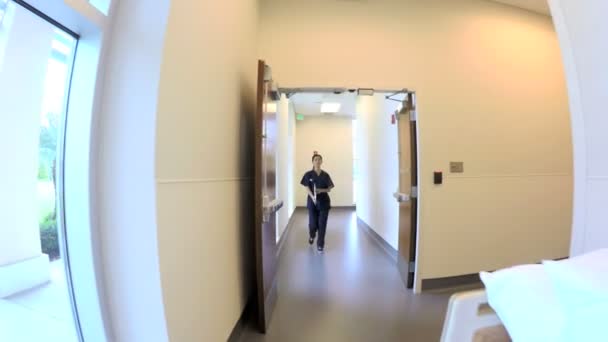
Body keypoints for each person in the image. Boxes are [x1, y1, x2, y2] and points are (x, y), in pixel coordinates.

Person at [300, 152, 334, 252]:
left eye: (319, 159)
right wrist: (312, 196)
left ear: (322, 161)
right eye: (315, 159)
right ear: (312, 162)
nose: (317, 161)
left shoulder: (325, 175)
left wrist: (320, 190)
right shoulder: (308, 174)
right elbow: (306, 187)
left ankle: (320, 244)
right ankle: (312, 235)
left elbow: (329, 188)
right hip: (312, 202)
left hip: (324, 202)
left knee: (322, 224)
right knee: (313, 224)